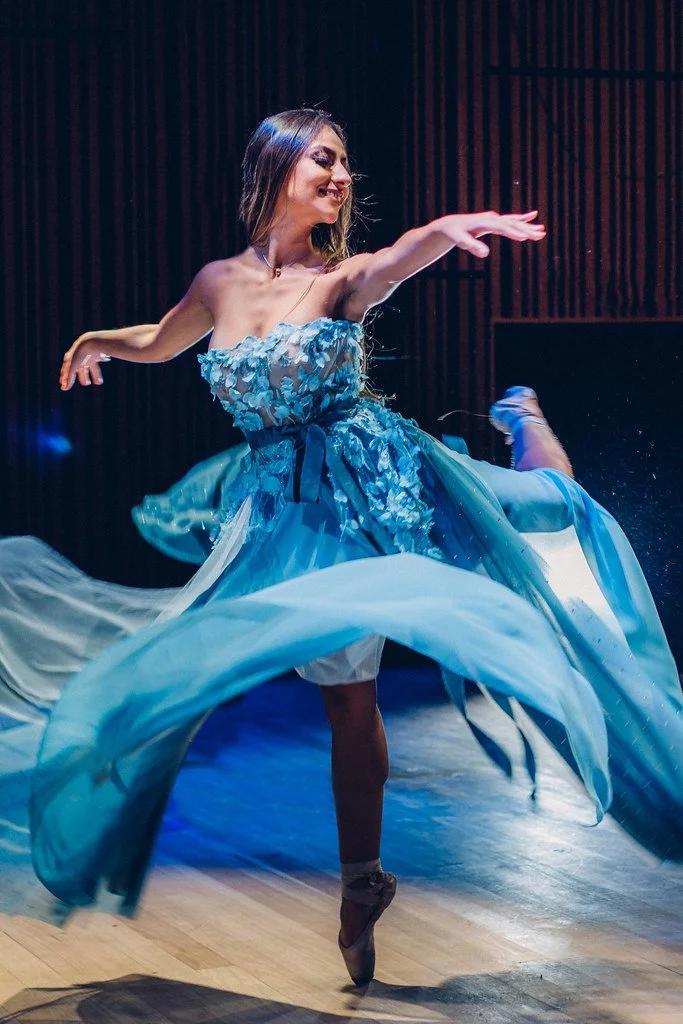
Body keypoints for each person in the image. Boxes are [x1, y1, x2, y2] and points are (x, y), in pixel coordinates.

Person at [1, 109, 681, 988]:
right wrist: (101, 339)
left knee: (544, 507)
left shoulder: (339, 280)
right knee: (338, 700)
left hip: (379, 485)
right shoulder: (218, 282)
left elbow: (391, 260)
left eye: (345, 163)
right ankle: (364, 882)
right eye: (323, 159)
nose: (340, 175)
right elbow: (162, 341)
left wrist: (443, 230)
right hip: (286, 516)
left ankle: (524, 422)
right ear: (276, 165)